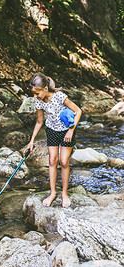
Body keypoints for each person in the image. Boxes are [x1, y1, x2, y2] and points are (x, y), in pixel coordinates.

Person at [27, 72, 82, 208]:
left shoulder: (60, 97)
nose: (35, 96)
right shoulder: (38, 101)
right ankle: (52, 193)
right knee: (52, 160)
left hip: (66, 132)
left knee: (64, 161)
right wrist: (32, 140)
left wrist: (71, 130)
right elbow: (39, 122)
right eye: (33, 94)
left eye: (37, 93)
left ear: (45, 89)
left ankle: (64, 193)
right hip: (51, 130)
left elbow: (78, 111)